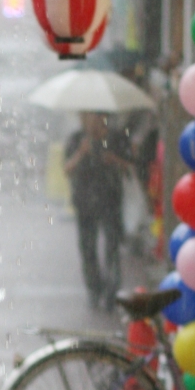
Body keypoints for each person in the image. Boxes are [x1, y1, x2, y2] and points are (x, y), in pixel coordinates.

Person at [63, 111, 131, 310]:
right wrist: (81, 153)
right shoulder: (76, 139)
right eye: (88, 117)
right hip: (84, 202)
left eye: (97, 117)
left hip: (110, 200)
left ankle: (112, 292)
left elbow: (130, 167)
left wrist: (115, 160)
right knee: (87, 248)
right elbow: (67, 169)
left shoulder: (116, 138)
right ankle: (94, 290)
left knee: (112, 247)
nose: (93, 122)